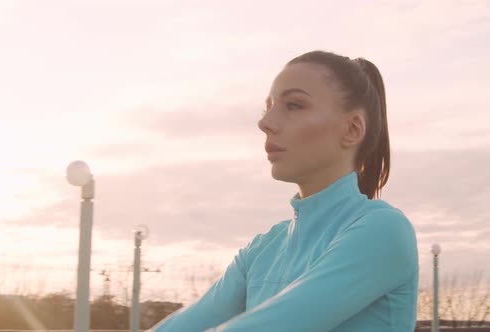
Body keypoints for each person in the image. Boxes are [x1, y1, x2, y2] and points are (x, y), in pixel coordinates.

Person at [149, 50, 419, 331]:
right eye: (269, 107)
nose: (265, 122)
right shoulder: (261, 250)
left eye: (293, 105)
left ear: (352, 129)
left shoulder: (384, 230)